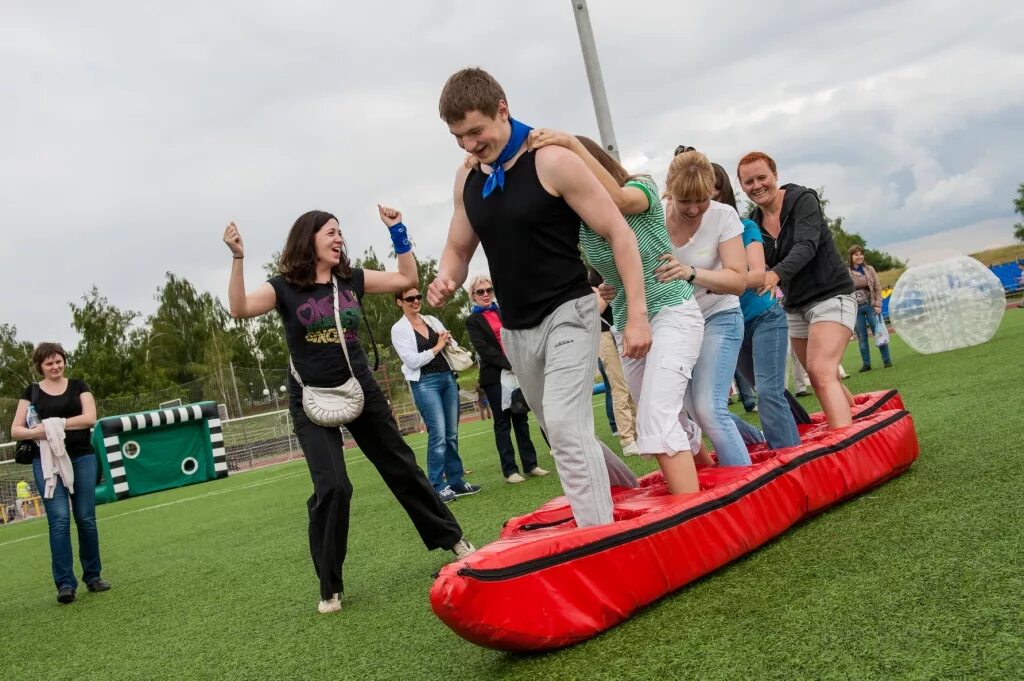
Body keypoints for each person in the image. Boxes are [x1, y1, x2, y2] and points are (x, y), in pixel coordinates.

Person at [223, 206, 475, 615]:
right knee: (334, 487)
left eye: (340, 233)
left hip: (361, 389)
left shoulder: (350, 279)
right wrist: (237, 258)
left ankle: (452, 539)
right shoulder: (285, 287)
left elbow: (407, 279)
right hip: (311, 398)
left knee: (401, 465)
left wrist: (398, 232)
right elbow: (239, 309)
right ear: (309, 240)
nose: (338, 239)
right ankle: (330, 585)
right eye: (330, 233)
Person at [430, 68, 647, 527]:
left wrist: (637, 314)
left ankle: (600, 543)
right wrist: (446, 278)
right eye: (458, 137)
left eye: (475, 132)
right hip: (516, 329)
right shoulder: (468, 177)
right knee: (557, 430)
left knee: (568, 428)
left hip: (569, 310)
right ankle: (630, 493)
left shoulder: (552, 160)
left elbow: (618, 233)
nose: (468, 145)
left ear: (502, 110)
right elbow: (458, 248)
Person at [528, 131, 705, 492]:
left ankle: (692, 514)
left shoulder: (641, 188)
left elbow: (621, 202)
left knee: (657, 418)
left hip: (672, 311)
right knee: (665, 418)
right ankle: (710, 473)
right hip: (628, 324)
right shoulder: (581, 219)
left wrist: (572, 147)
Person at [738, 151, 856, 429]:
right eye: (748, 181)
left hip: (830, 295)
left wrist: (775, 274)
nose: (757, 185)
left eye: (762, 177)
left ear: (775, 176)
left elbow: (807, 245)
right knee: (825, 379)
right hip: (795, 307)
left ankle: (846, 447)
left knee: (820, 371)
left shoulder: (802, 199)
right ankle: (858, 422)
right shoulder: (754, 223)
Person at [657, 151, 752, 466]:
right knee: (696, 413)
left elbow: (738, 279)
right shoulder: (653, 217)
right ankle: (755, 442)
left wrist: (691, 272)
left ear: (712, 191)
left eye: (701, 200)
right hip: (676, 324)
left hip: (718, 316)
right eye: (685, 201)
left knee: (710, 409)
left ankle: (747, 490)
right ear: (670, 191)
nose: (694, 209)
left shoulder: (723, 216)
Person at [9, 342, 109, 604]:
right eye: (49, 363)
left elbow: (89, 418)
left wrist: (56, 424)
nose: (55, 366)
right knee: (60, 520)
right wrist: (39, 432)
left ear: (64, 361)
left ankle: (93, 576)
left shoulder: (79, 386)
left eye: (58, 361)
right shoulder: (30, 392)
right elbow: (16, 430)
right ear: (40, 366)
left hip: (82, 457)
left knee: (86, 517)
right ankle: (65, 584)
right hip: (46, 460)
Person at [710, 161, 800, 449]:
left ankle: (790, 459)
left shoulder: (743, 226)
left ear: (719, 191)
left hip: (764, 317)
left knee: (768, 392)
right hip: (729, 325)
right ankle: (800, 428)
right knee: (769, 391)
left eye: (708, 190)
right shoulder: (692, 238)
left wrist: (711, 280)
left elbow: (759, 274)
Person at [391, 288, 482, 503]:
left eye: (418, 297)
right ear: (399, 302)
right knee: (438, 434)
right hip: (425, 383)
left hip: (447, 378)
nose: (415, 301)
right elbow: (412, 361)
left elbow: (453, 346)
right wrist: (437, 346)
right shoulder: (399, 329)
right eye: (409, 298)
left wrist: (448, 341)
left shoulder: (431, 320)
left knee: (451, 433)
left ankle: (456, 481)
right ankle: (437, 485)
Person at [463, 274, 548, 483]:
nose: (485, 295)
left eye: (489, 290)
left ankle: (531, 464)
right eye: (480, 292)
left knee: (521, 417)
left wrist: (522, 362)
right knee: (502, 423)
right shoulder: (472, 320)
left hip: (519, 372)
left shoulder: (504, 312)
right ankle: (510, 470)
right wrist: (508, 364)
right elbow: (483, 348)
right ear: (473, 296)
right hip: (495, 376)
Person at [588, 268, 638, 454]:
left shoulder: (620, 271)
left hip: (624, 330)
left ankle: (639, 432)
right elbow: (596, 310)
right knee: (619, 387)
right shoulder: (592, 284)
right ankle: (627, 438)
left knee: (633, 383)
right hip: (606, 336)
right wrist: (607, 291)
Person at [848, 245, 893, 371]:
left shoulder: (869, 269)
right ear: (851, 257)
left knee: (879, 333)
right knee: (862, 337)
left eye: (861, 254)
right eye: (856, 254)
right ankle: (866, 364)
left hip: (871, 306)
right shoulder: (847, 272)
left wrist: (878, 304)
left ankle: (886, 360)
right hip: (856, 309)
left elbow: (878, 287)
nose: (859, 256)